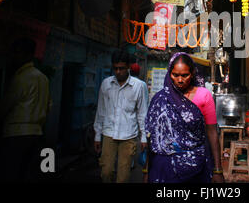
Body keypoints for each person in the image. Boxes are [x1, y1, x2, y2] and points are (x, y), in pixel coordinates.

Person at [144, 52, 224, 183]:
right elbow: (152, 138)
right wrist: (146, 170)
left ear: (192, 73)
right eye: (175, 75)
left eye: (184, 75)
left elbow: (212, 132)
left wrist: (218, 170)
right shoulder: (160, 99)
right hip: (163, 168)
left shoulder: (204, 95)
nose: (180, 80)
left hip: (195, 167)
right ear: (169, 74)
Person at [0, 37, 52, 182]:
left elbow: (5, 105)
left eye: (17, 53)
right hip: (36, 133)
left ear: (25, 55)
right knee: (29, 173)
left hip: (16, 133)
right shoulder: (43, 78)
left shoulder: (21, 78)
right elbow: (49, 106)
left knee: (12, 173)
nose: (14, 57)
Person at [93, 49, 148, 183]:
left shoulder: (139, 86)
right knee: (106, 173)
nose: (118, 72)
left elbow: (142, 113)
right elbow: (101, 110)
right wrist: (97, 136)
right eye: (115, 68)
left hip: (129, 136)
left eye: (121, 68)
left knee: (123, 177)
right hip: (108, 134)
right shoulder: (106, 84)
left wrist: (144, 137)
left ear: (128, 67)